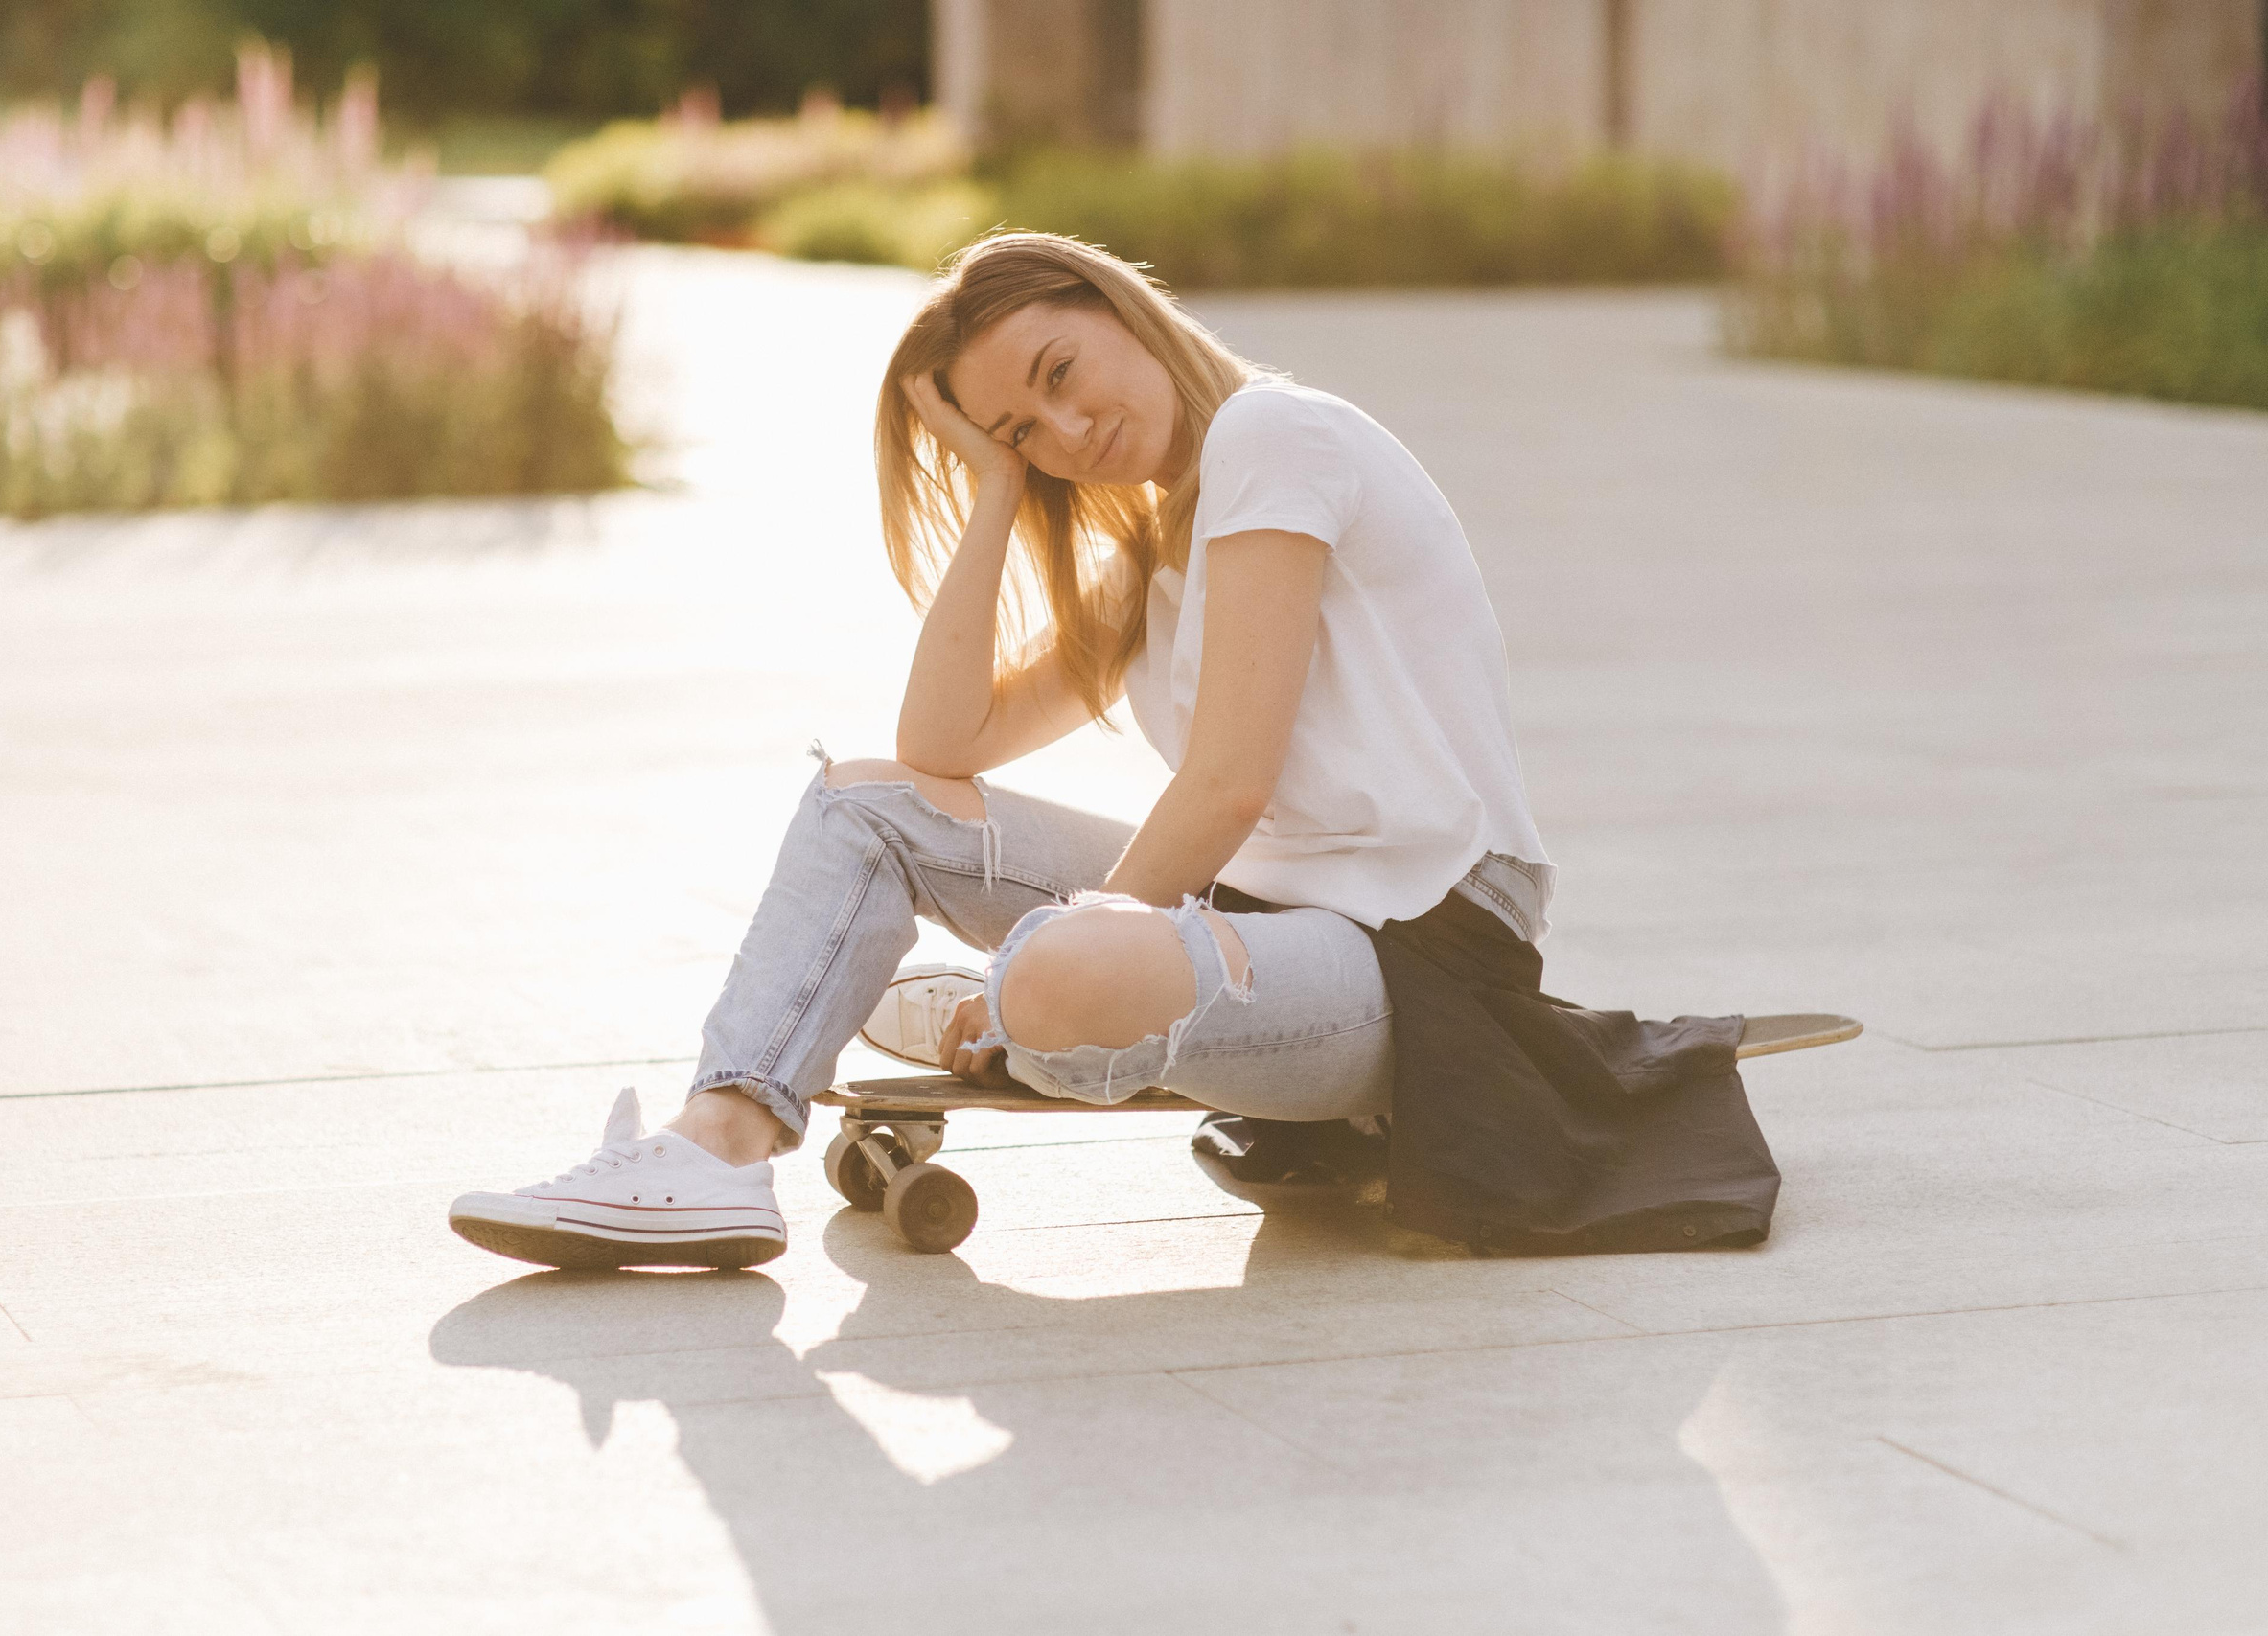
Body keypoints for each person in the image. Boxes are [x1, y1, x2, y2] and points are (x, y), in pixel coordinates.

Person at [448, 231, 1556, 1270]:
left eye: (1060, 372)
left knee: (1064, 965)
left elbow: (1226, 785)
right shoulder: (1158, 549)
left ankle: (1008, 998)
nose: (1066, 433)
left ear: (1117, 307)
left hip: (1423, 957)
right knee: (863, 805)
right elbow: (939, 746)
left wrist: (1060, 941)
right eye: (1024, 427)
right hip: (1263, 917)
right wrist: (993, 490)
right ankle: (717, 1146)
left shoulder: (1273, 438)